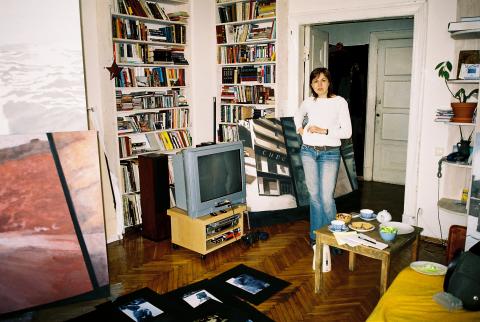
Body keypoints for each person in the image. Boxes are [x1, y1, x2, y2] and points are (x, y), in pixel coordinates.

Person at [294, 67, 352, 246]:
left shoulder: (340, 102)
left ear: (329, 82)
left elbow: (347, 132)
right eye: (315, 81)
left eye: (323, 80)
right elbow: (298, 115)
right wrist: (301, 130)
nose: (319, 84)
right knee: (314, 197)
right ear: (311, 84)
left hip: (329, 153)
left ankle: (333, 238)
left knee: (327, 198)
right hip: (308, 152)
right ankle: (315, 237)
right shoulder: (309, 102)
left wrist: (323, 130)